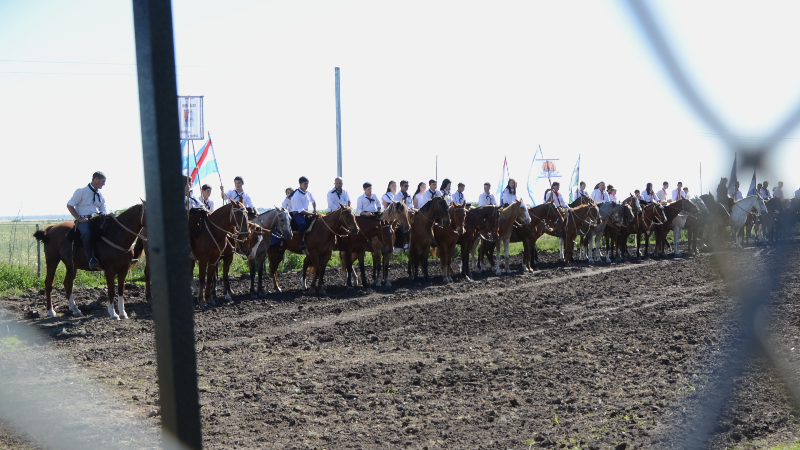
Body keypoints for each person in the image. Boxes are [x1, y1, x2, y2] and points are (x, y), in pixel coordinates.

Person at [67, 171, 107, 270]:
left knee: (111, 230)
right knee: (87, 233)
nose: (104, 184)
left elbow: (103, 209)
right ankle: (90, 259)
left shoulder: (100, 194)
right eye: (103, 181)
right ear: (96, 179)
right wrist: (78, 218)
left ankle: (118, 257)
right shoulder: (81, 191)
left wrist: (106, 215)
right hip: (84, 220)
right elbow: (69, 205)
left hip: (97, 219)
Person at [289, 176, 317, 251]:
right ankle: (300, 242)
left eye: (307, 184)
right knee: (302, 224)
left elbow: (313, 201)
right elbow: (300, 211)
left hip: (305, 213)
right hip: (297, 214)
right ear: (300, 184)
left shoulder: (308, 193)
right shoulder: (296, 195)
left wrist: (314, 210)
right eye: (305, 184)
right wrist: (312, 214)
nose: (306, 186)